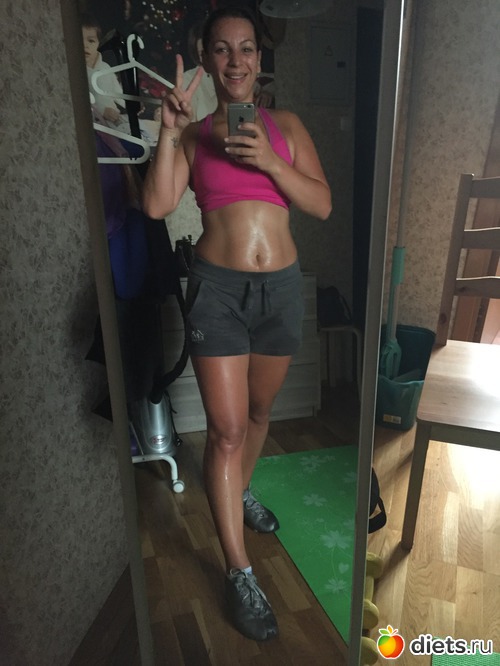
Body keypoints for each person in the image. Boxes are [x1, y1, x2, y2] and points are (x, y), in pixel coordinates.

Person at [142, 6, 331, 642]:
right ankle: (239, 570)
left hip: (280, 291)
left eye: (246, 48)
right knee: (224, 431)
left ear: (259, 57)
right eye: (221, 49)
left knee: (257, 415)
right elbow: (157, 203)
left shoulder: (288, 126)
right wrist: (169, 131)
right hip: (218, 291)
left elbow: (321, 204)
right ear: (206, 58)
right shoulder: (195, 136)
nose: (235, 60)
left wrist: (272, 163)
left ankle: (239, 492)